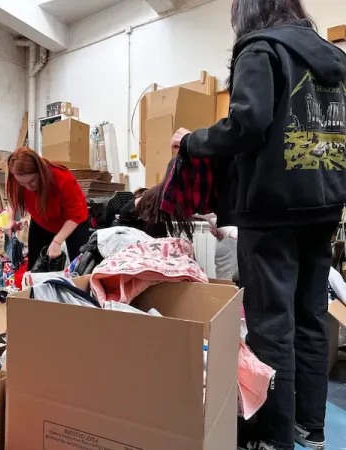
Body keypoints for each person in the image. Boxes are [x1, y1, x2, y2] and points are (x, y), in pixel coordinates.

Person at [172, 1, 346, 449]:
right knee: (310, 316)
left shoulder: (260, 49)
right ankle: (311, 427)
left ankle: (274, 438)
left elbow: (247, 125)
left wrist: (192, 140)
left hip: (272, 210)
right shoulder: (335, 59)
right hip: (325, 204)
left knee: (271, 325)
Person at [6, 147, 90, 269]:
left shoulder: (62, 177)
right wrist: (11, 219)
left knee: (80, 265)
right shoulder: (16, 177)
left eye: (32, 181)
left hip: (73, 220)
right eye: (23, 184)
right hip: (42, 219)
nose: (29, 187)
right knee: (35, 265)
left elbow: (75, 215)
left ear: (40, 171)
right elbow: (12, 195)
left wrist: (57, 242)